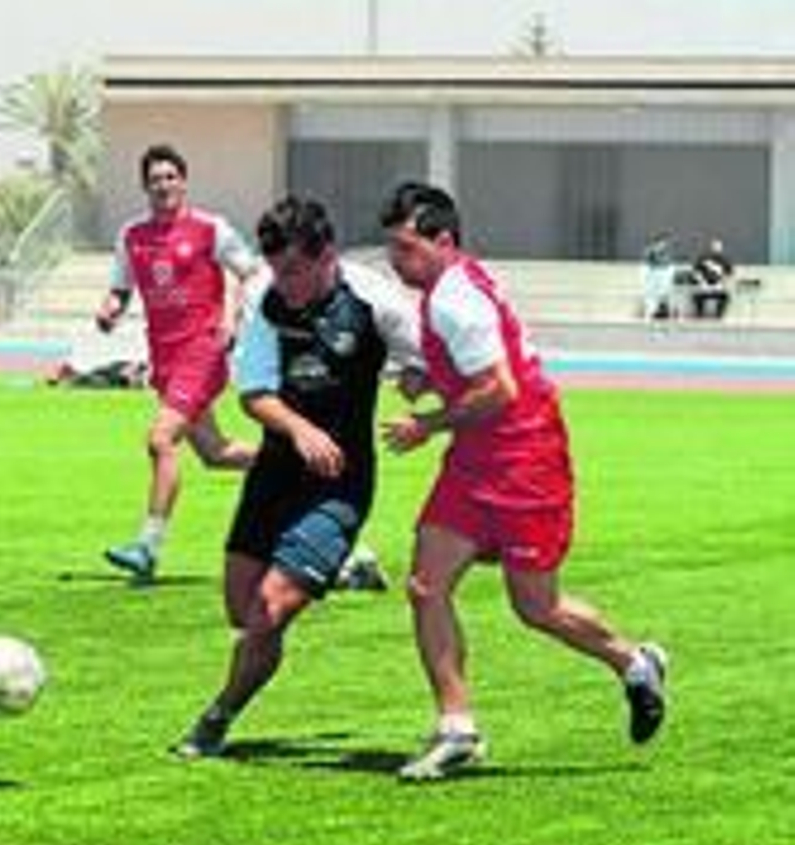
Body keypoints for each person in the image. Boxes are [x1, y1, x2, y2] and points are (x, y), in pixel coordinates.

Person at [378, 181, 669, 781]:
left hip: (525, 459)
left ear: (444, 241)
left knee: (536, 607)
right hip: (476, 459)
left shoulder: (456, 299)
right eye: (391, 248)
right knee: (426, 587)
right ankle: (457, 727)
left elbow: (499, 389)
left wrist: (426, 422)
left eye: (406, 249)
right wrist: (429, 379)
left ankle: (634, 661)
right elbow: (479, 374)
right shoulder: (449, 286)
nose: (395, 261)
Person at [172, 195, 423, 759]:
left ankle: (216, 719)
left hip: (340, 483)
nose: (284, 283)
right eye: (277, 269)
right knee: (241, 611)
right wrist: (300, 430)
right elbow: (254, 394)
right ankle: (346, 570)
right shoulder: (267, 296)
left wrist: (418, 379)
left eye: (295, 270)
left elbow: (434, 357)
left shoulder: (376, 301)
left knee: (266, 614)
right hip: (275, 474)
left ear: (326, 255)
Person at [96, 144, 262, 584]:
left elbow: (250, 271)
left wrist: (232, 317)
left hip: (204, 351)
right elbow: (121, 288)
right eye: (155, 180)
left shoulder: (211, 228)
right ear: (145, 187)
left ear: (183, 182)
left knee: (160, 439)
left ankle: (147, 546)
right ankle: (289, 462)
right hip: (166, 359)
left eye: (171, 177)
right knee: (216, 453)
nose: (164, 185)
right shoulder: (132, 236)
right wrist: (110, 308)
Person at [691, 238, 734, 320]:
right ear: (711, 247)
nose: (716, 249)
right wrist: (702, 282)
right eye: (714, 246)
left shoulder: (724, 261)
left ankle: (718, 316)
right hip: (704, 286)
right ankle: (699, 315)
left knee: (725, 297)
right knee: (696, 296)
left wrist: (722, 282)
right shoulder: (703, 259)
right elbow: (695, 272)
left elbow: (729, 274)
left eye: (718, 247)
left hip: (717, 286)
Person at [640, 232, 675, 321]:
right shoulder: (650, 252)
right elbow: (646, 268)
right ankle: (649, 315)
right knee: (651, 298)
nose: (663, 245)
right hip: (652, 279)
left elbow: (668, 266)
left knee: (663, 295)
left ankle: (662, 312)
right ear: (657, 243)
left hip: (661, 279)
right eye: (662, 243)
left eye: (665, 243)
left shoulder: (666, 254)